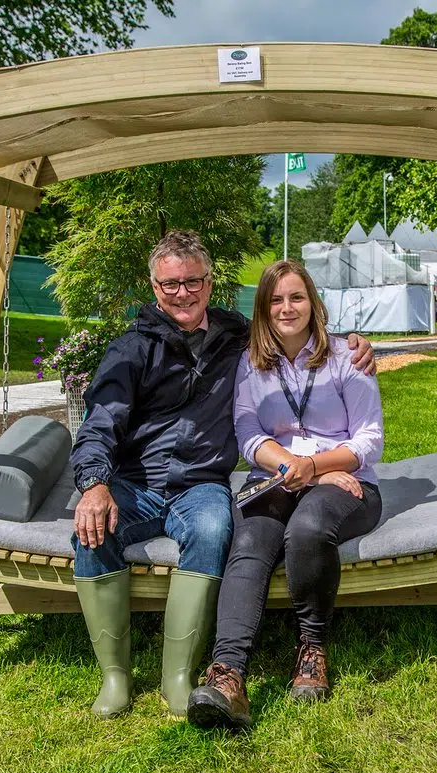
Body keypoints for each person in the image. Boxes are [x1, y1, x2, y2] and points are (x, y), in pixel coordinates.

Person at [69, 230, 375, 719]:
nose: (183, 293)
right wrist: (95, 484)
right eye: (171, 284)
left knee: (214, 528)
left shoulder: (236, 336)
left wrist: (352, 343)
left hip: (200, 484)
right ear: (154, 287)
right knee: (91, 530)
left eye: (193, 281)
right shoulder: (130, 349)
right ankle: (115, 675)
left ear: (210, 284)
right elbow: (100, 420)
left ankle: (178, 674)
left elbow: (293, 335)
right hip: (134, 483)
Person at [187, 259, 384, 729]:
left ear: (313, 303)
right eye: (275, 299)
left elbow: (369, 438)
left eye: (296, 297)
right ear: (263, 308)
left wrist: (316, 467)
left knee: (309, 529)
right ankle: (227, 673)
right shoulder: (251, 364)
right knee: (251, 541)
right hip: (278, 476)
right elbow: (247, 430)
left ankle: (312, 648)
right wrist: (293, 468)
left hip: (347, 480)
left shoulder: (347, 357)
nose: (286, 307)